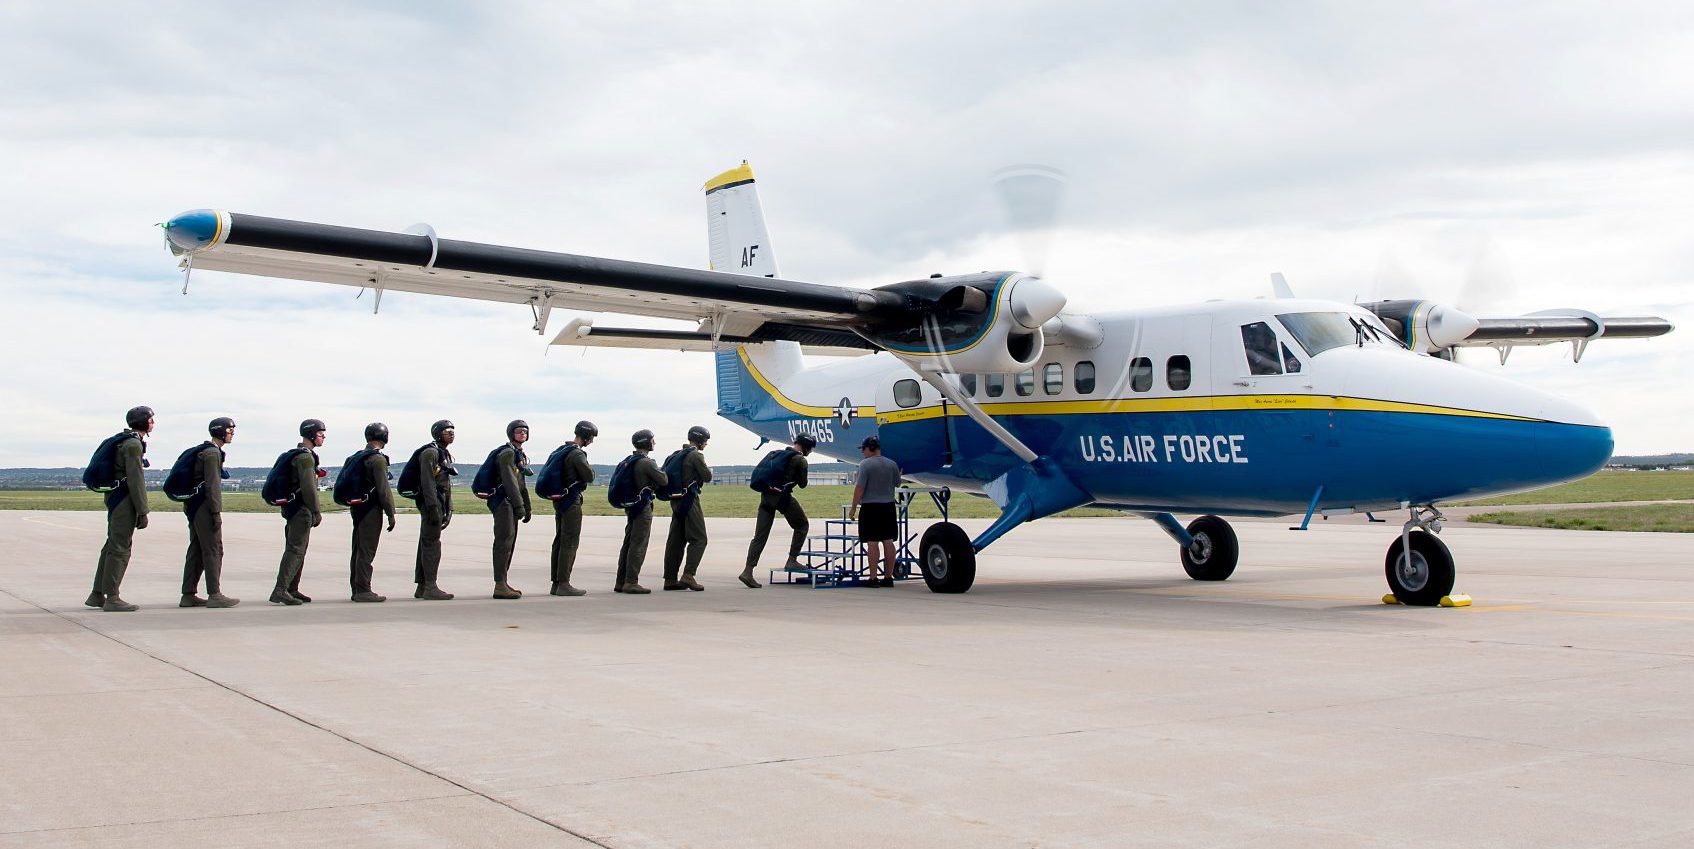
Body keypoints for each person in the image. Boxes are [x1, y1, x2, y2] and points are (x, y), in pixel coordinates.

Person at [88, 405, 153, 612]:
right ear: (142, 422)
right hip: (124, 499)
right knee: (120, 548)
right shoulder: (133, 444)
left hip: (115, 496)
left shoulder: (125, 441)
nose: (153, 423)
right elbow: (136, 480)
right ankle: (112, 597)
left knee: (111, 546)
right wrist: (143, 510)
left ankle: (97, 594)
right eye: (150, 419)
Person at [742, 434, 815, 588]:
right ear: (806, 447)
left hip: (766, 497)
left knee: (760, 536)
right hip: (782, 497)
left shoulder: (777, 454)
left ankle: (748, 571)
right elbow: (803, 484)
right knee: (802, 525)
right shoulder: (800, 460)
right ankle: (792, 560)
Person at [182, 417, 239, 608]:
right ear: (221, 431)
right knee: (214, 549)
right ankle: (215, 594)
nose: (232, 434)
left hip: (194, 505)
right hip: (205, 506)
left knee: (197, 548)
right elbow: (213, 486)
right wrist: (216, 513)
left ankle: (188, 594)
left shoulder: (204, 451)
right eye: (230, 431)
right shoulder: (213, 454)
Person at [271, 419, 326, 605]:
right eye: (320, 433)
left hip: (292, 508)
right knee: (295, 550)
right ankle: (280, 590)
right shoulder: (306, 457)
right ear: (311, 435)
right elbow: (309, 488)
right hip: (301, 510)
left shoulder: (297, 455)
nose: (323, 437)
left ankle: (291, 588)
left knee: (298, 550)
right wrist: (316, 511)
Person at [347, 423, 396, 602]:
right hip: (371, 510)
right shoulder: (378, 459)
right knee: (367, 550)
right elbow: (383, 490)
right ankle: (363, 590)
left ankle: (356, 587)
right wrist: (391, 512)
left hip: (358, 508)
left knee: (358, 549)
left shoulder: (355, 457)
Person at [613, 429, 667, 594]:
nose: (654, 443)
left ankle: (621, 581)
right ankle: (631, 581)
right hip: (642, 507)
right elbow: (663, 480)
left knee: (628, 543)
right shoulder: (647, 463)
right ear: (646, 442)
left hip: (631, 506)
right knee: (639, 544)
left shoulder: (628, 461)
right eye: (652, 440)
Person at [548, 421, 597, 596]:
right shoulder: (577, 454)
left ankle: (556, 582)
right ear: (587, 437)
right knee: (569, 542)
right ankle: (564, 583)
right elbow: (589, 476)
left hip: (560, 500)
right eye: (591, 438)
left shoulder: (561, 450)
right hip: (571, 501)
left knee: (559, 541)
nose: (591, 441)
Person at [661, 425, 713, 591]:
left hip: (675, 501)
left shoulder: (674, 456)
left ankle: (670, 579)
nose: (706, 444)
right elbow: (707, 476)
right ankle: (688, 575)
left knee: (675, 541)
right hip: (690, 499)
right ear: (701, 440)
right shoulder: (695, 456)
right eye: (705, 441)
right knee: (699, 539)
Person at [411, 419, 457, 600]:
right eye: (447, 430)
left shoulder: (442, 453)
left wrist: (449, 507)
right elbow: (428, 482)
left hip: (437, 502)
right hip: (431, 503)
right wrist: (433, 508)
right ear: (438, 433)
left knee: (427, 541)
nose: (451, 433)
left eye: (453, 430)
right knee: (432, 544)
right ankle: (430, 585)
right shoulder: (431, 453)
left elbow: (445, 484)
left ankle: (422, 586)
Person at [488, 419, 532, 599]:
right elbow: (509, 481)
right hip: (503, 502)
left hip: (511, 503)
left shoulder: (518, 454)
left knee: (509, 543)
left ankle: (503, 582)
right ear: (511, 433)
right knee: (503, 542)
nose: (523, 433)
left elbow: (521, 483)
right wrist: (519, 505)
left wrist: (526, 505)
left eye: (525, 431)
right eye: (519, 431)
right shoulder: (507, 454)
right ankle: (499, 584)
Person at [849, 436, 902, 587]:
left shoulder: (865, 465)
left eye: (863, 450)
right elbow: (897, 483)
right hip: (888, 507)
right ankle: (888, 577)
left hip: (870, 507)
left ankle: (873, 578)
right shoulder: (892, 464)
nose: (862, 453)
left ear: (868, 448)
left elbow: (860, 488)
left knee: (872, 542)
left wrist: (853, 507)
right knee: (888, 541)